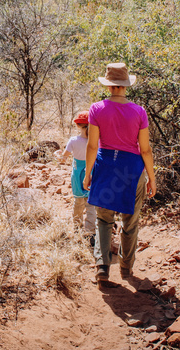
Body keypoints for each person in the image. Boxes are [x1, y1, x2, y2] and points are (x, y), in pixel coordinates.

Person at [83, 62, 156, 284]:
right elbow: (145, 149)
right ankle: (126, 269)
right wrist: (152, 178)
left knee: (104, 220)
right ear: (125, 85)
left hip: (106, 168)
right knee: (130, 222)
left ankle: (102, 267)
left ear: (108, 85)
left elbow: (93, 146)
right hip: (131, 171)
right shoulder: (139, 111)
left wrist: (87, 174)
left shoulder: (96, 109)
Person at [57, 111, 96, 239]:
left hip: (78, 176)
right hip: (91, 174)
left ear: (78, 125)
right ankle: (90, 233)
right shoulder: (96, 141)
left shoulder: (73, 141)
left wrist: (56, 154)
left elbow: (63, 159)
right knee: (91, 206)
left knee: (78, 202)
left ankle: (77, 229)